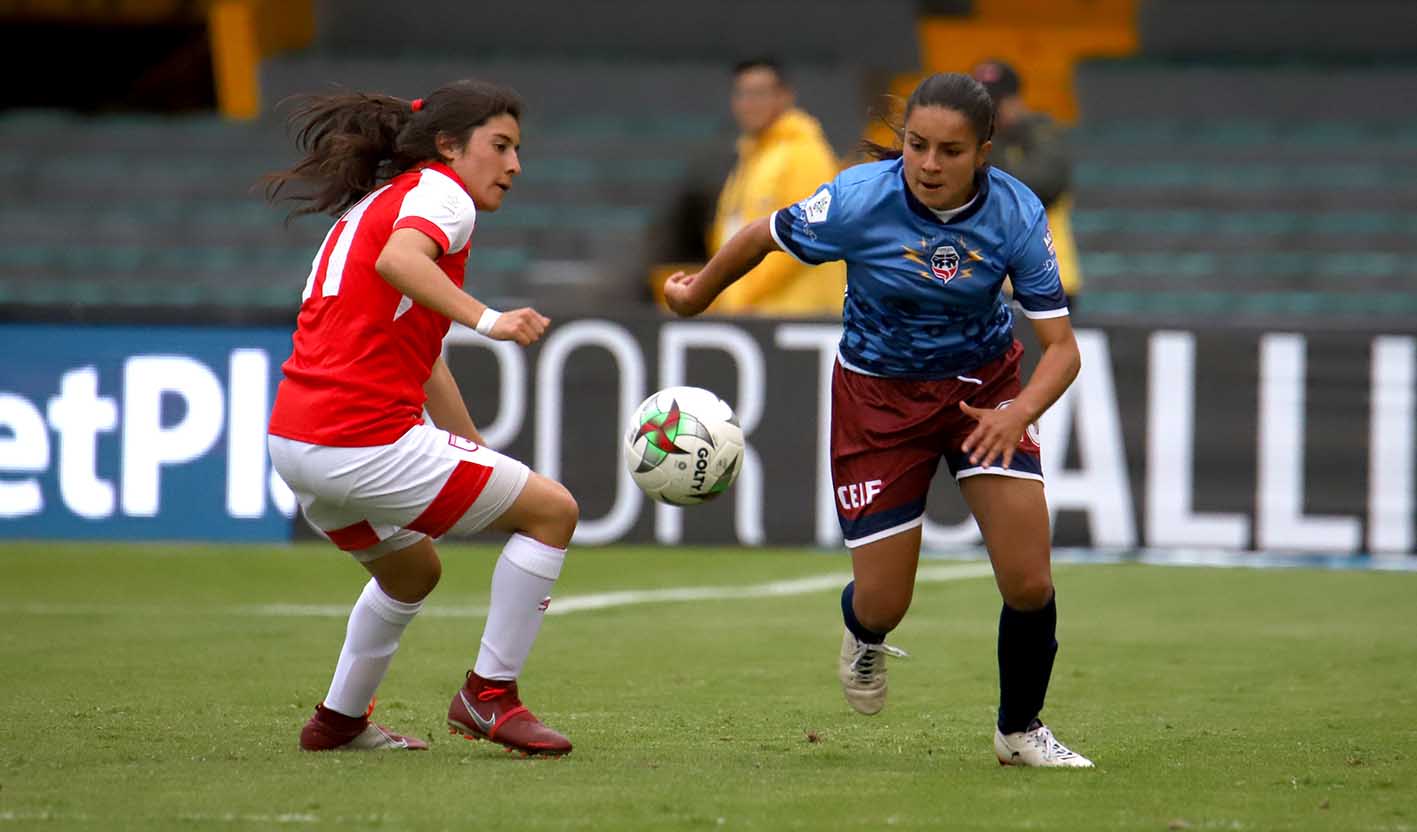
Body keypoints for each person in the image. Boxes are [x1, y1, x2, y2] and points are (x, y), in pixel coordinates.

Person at [664, 73, 1093, 767]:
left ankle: (1019, 731)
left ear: (983, 151)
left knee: (1029, 582)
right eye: (916, 145)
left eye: (949, 151)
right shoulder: (859, 198)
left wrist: (1018, 411)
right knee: (883, 601)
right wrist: (696, 296)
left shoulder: (1015, 213)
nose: (927, 164)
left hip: (981, 396)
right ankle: (862, 633)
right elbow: (761, 235)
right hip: (878, 403)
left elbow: (1062, 350)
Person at [263, 80, 578, 756]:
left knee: (412, 573)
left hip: (296, 439)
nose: (514, 165)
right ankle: (489, 696)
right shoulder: (442, 194)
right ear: (447, 146)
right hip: (358, 436)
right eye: (499, 146)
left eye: (517, 149)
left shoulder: (376, 203)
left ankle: (338, 722)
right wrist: (490, 319)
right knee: (552, 512)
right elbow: (400, 260)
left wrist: (468, 445)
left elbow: (419, 349)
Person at [705, 58, 846, 316]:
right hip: (755, 316)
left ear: (785, 96)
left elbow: (803, 234)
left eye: (759, 93)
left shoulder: (805, 153)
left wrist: (742, 298)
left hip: (796, 318)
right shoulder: (749, 159)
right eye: (742, 94)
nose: (749, 104)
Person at [970, 59, 1083, 307]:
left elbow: (1038, 188)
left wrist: (992, 143)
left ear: (1015, 100)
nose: (991, 112)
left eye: (996, 103)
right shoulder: (979, 144)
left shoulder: (1042, 136)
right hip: (994, 282)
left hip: (1049, 277)